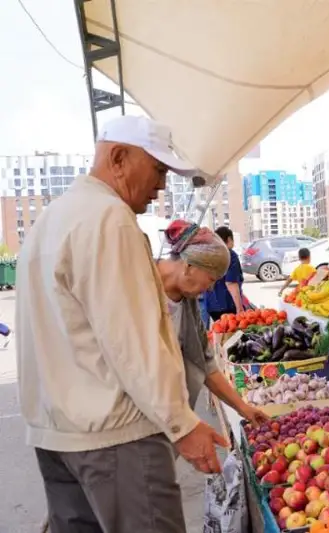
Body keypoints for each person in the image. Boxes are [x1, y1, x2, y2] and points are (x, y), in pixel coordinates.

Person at [16, 115, 227, 532]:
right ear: (118, 158)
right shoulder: (109, 219)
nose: (162, 185)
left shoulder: (51, 219)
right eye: (159, 170)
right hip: (116, 440)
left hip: (56, 436)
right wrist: (182, 424)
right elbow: (133, 342)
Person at [158, 220, 268, 424]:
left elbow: (206, 362)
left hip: (169, 424)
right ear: (189, 267)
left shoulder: (187, 302)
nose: (211, 289)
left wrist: (244, 408)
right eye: (212, 279)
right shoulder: (139, 290)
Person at [204, 226, 245, 322]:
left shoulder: (209, 254)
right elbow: (231, 283)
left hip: (211, 305)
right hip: (228, 305)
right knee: (232, 333)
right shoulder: (230, 254)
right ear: (229, 239)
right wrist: (239, 308)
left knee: (220, 331)